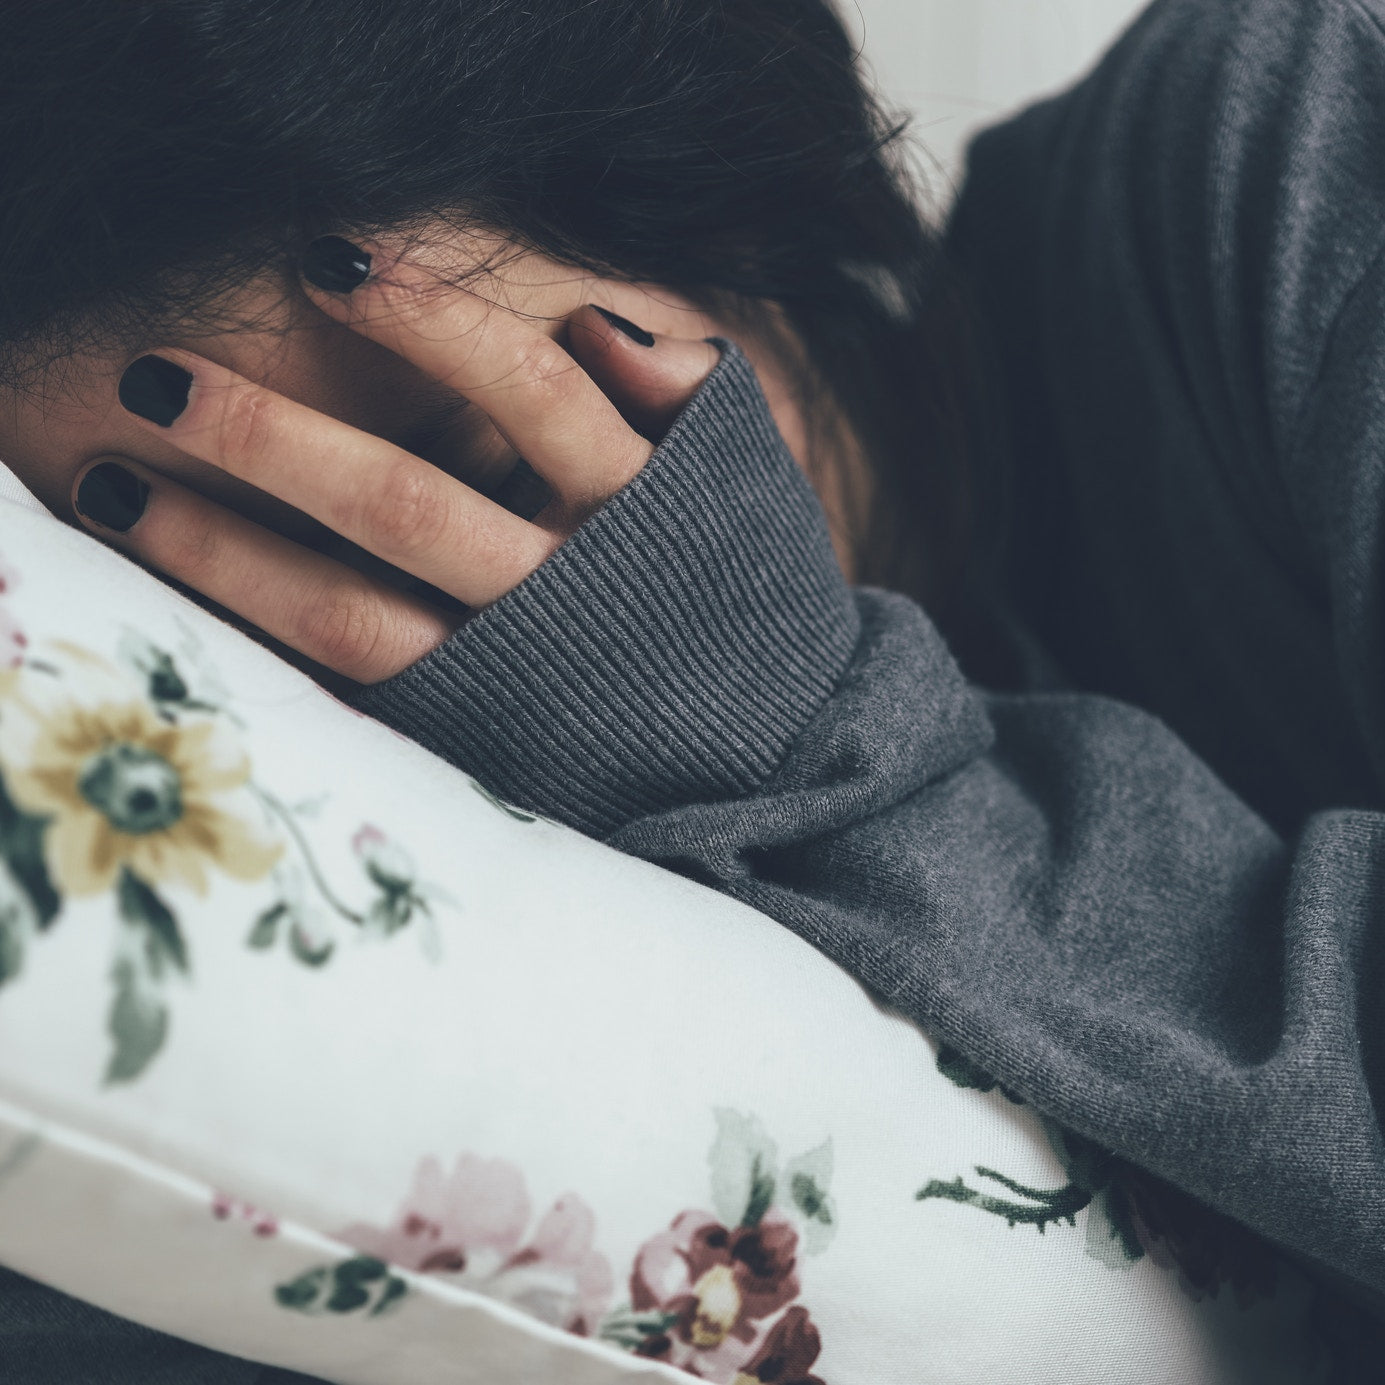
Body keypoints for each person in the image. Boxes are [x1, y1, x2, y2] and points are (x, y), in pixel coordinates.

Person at [0, 0, 1382, 1380]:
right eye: (179, 624)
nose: (361, 688)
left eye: (461, 503)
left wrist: (815, 767)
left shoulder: (1291, 163)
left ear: (765, 220)